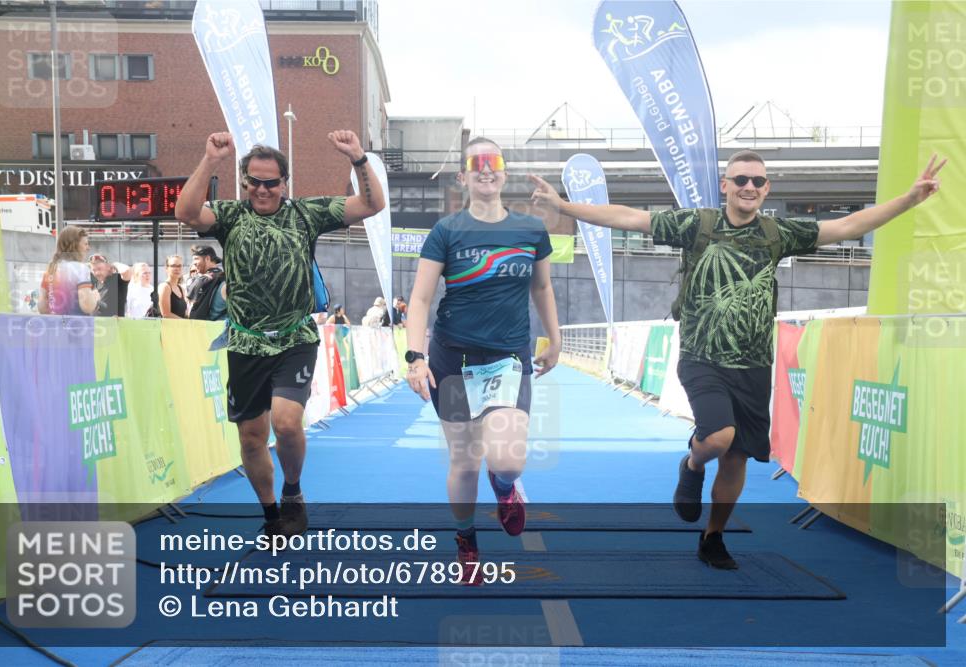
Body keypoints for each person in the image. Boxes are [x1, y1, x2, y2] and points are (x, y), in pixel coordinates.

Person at [530, 150, 947, 569]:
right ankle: (692, 463)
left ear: (767, 189)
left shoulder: (777, 232)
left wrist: (909, 199)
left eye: (758, 182)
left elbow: (847, 226)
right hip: (702, 356)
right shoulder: (698, 225)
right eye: (741, 179)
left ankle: (713, 537)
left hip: (754, 365)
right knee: (717, 438)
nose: (749, 187)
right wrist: (563, 206)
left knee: (736, 458)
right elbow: (628, 218)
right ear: (725, 185)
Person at [174, 130, 384, 537]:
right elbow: (186, 213)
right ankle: (272, 515)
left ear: (285, 183)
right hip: (246, 341)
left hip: (294, 338)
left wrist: (358, 158)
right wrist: (210, 160)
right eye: (254, 181)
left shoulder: (307, 213)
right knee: (252, 439)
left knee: (287, 423)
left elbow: (373, 204)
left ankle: (293, 494)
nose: (263, 189)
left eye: (271, 182)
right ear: (245, 182)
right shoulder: (232, 216)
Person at [406, 136, 562, 584]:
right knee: (464, 461)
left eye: (493, 162)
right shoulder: (447, 231)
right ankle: (466, 539)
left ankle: (505, 487)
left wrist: (555, 338)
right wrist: (416, 357)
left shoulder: (531, 230)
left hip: (507, 359)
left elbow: (542, 289)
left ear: (504, 172)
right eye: (476, 163)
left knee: (507, 458)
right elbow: (419, 299)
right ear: (463, 176)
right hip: (452, 360)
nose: (485, 170)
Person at [38, 225, 98, 316]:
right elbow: (87, 306)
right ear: (74, 246)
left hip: (53, 327)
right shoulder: (80, 269)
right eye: (85, 244)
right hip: (76, 328)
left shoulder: (50, 270)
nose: (88, 248)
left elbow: (42, 308)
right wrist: (95, 297)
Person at [187, 245, 227, 321]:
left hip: (201, 328)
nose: (194, 263)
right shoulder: (225, 279)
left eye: (196, 259)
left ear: (207, 258)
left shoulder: (200, 280)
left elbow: (189, 311)